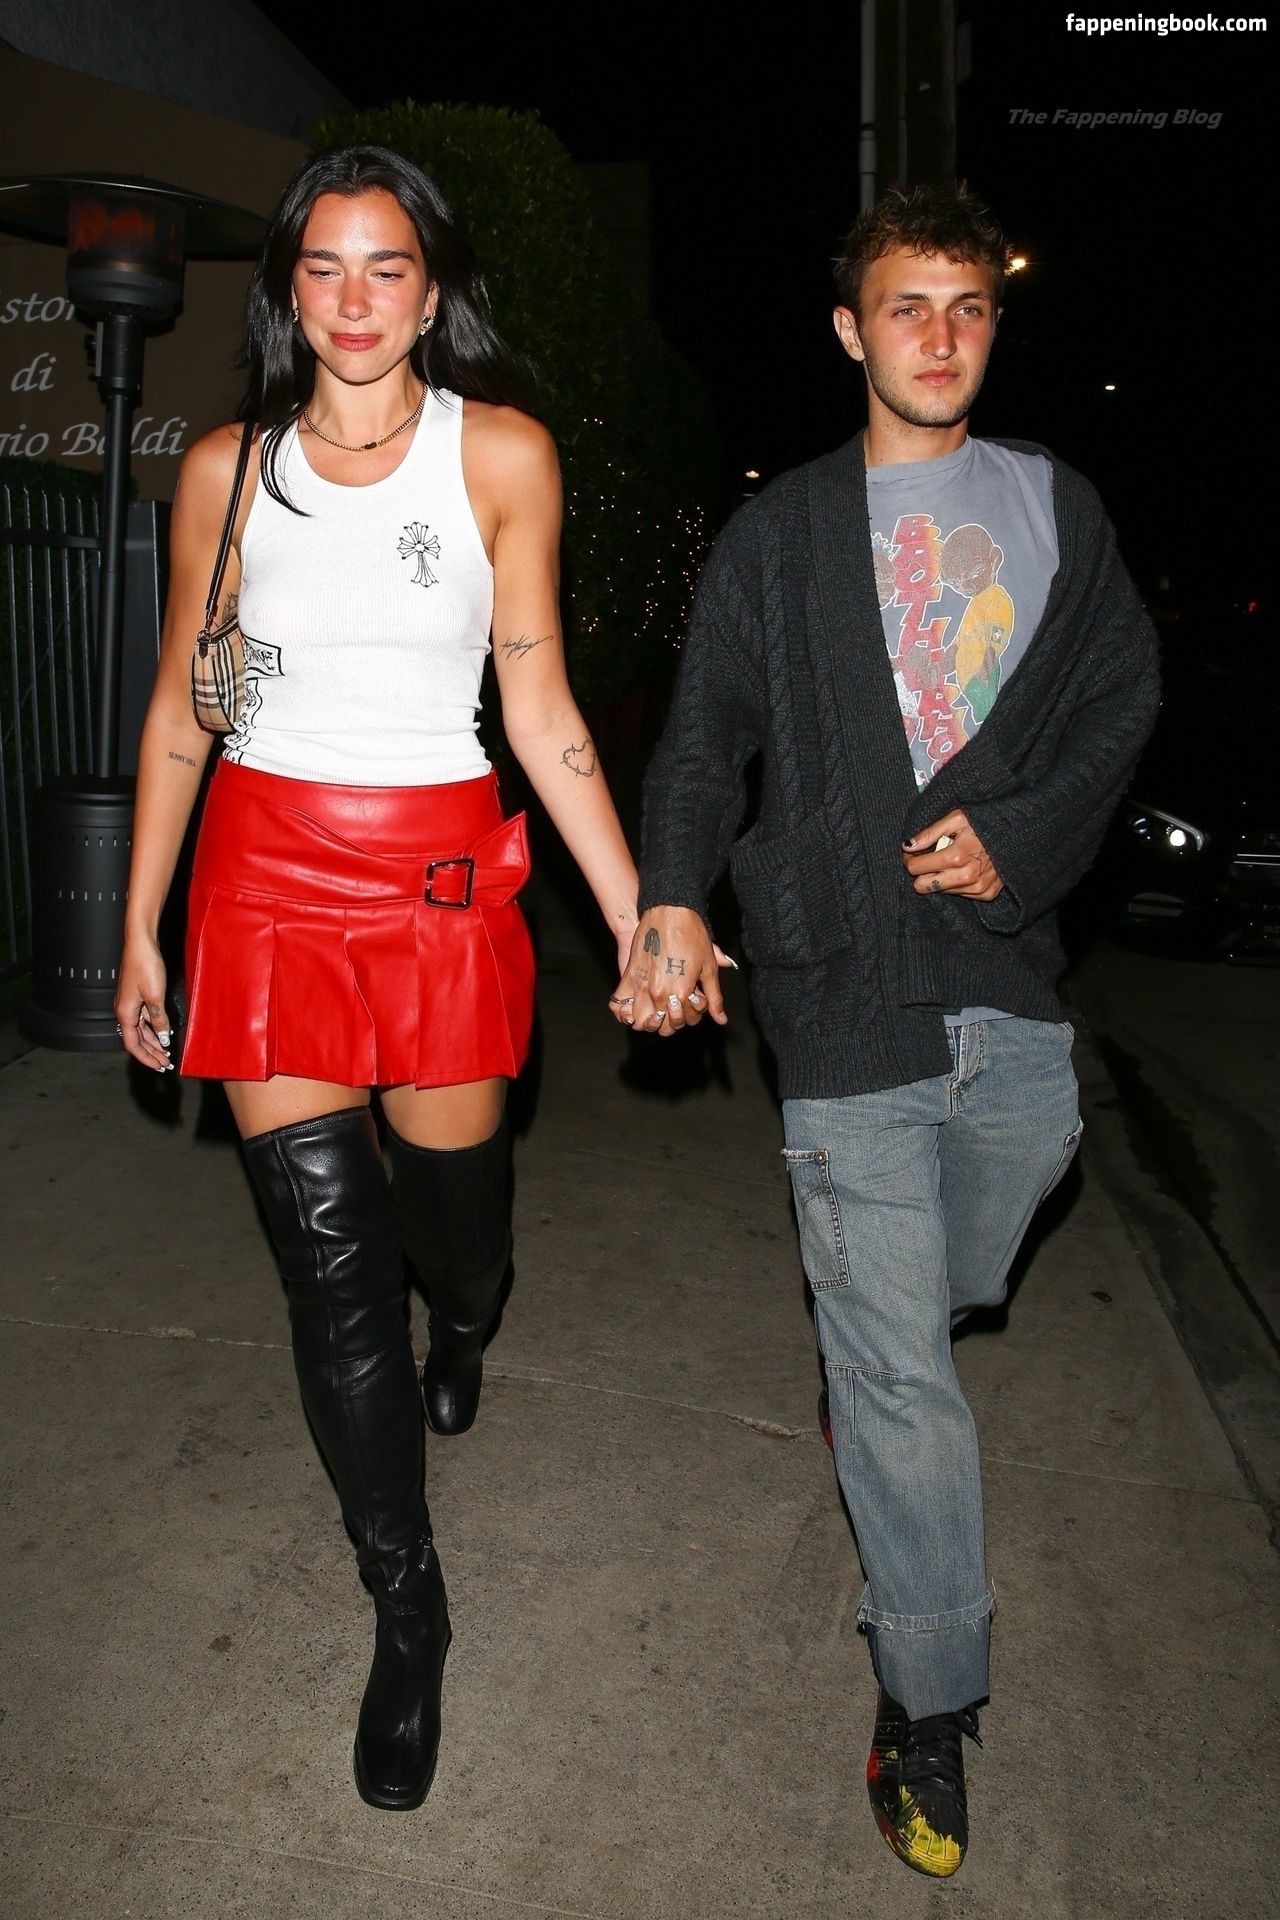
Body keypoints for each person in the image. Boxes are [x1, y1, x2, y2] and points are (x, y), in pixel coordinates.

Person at [613, 182, 1158, 1878]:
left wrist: (1027, 836)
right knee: (907, 1384)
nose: (941, 335)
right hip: (841, 985)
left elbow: (1121, 701)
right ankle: (928, 1697)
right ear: (852, 331)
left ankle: (875, 1346)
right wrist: (674, 894)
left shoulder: (1057, 505)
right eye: (908, 306)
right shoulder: (781, 537)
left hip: (1007, 982)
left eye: (969, 306)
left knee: (965, 1262)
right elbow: (703, 735)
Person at [115, 145, 638, 1812]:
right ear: (288, 289)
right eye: (323, 267)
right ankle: (410, 1616)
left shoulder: (502, 454)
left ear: (432, 289)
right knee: (334, 1274)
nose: (354, 300)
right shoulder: (225, 471)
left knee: (449, 1224)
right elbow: (187, 704)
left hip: (434, 889)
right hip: (264, 884)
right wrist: (139, 920)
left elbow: (539, 707)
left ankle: (469, 1319)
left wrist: (636, 912)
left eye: (387, 267)